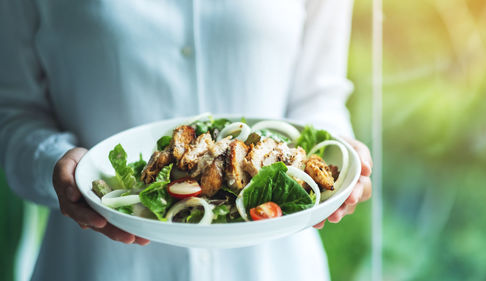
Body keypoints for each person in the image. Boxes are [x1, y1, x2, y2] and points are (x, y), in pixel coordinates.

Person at [0, 0, 372, 280]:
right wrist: (53, 162)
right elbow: (14, 112)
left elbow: (318, 95)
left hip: (274, 262)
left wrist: (337, 152)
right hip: (99, 262)